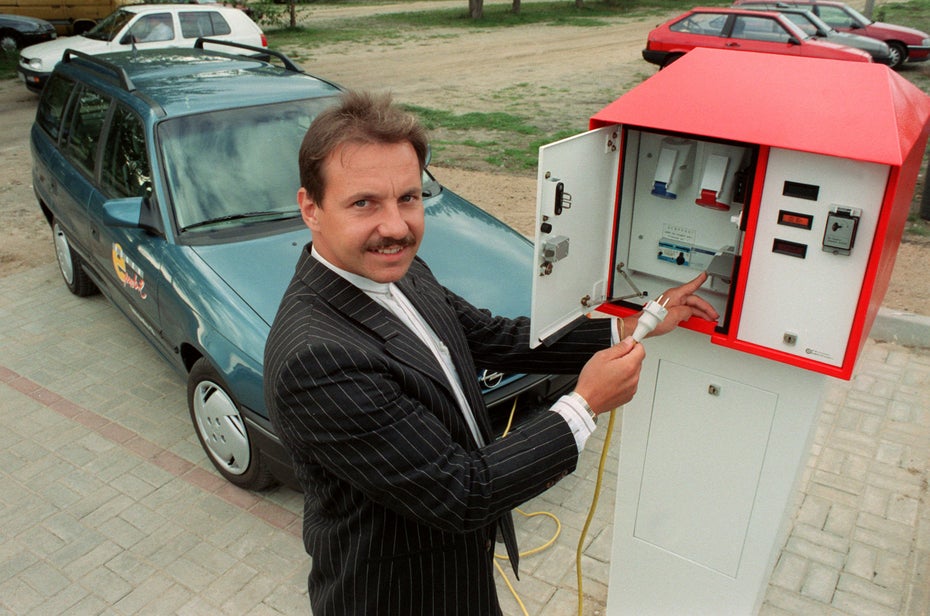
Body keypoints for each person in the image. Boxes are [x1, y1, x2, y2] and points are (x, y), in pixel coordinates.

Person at [263, 90, 719, 615]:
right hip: (398, 595)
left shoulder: (396, 269)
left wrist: (629, 327)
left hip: (460, 570)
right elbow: (462, 491)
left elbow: (491, 336)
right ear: (311, 208)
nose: (396, 226)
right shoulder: (317, 360)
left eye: (408, 198)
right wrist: (583, 405)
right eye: (364, 203)